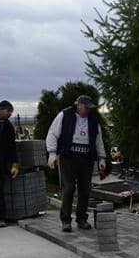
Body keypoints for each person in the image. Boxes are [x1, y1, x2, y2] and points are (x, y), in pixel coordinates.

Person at [46, 95, 107, 232]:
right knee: (69, 188)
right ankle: (66, 221)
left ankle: (81, 219)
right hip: (68, 157)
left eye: (89, 108)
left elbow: (99, 141)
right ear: (78, 105)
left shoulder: (93, 120)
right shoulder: (65, 115)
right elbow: (52, 133)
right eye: (86, 107)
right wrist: (52, 153)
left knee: (85, 189)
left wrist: (102, 158)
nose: (88, 110)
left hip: (86, 158)